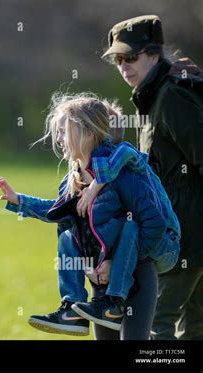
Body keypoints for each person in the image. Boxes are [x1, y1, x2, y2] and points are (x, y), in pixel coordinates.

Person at [0, 92, 179, 339]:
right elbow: (59, 213)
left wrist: (119, 264)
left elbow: (154, 224)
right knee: (68, 235)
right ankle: (72, 311)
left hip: (139, 271)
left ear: (89, 133)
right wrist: (19, 201)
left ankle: (104, 302)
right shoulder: (74, 177)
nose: (58, 139)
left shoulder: (125, 173)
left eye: (63, 131)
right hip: (102, 275)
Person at [101, 15, 203, 340]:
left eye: (131, 57)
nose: (124, 66)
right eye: (118, 59)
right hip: (188, 236)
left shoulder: (170, 96)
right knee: (195, 327)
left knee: (154, 325)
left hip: (184, 238)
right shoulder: (155, 93)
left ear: (154, 53)